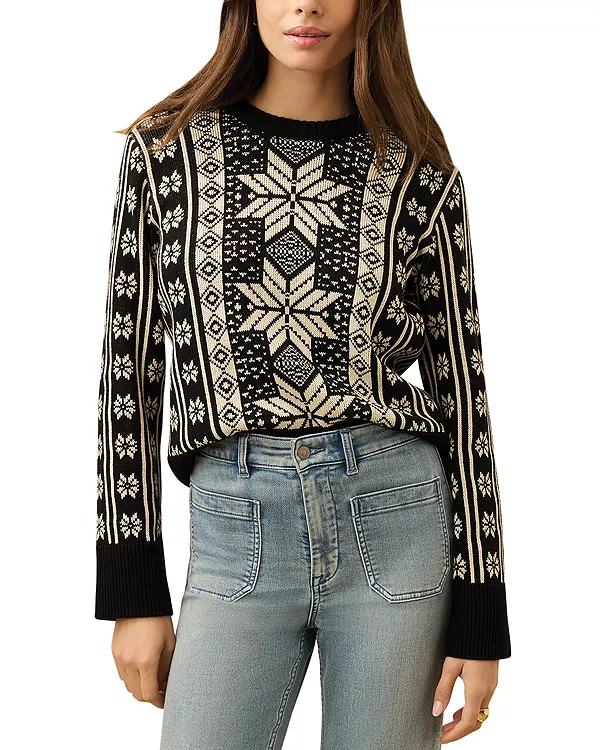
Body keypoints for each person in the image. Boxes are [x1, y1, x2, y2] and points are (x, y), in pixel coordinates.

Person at [95, 1, 511, 747]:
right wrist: (133, 587)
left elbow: (463, 390)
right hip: (236, 520)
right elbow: (128, 371)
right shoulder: (166, 154)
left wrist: (483, 616)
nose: (307, 4)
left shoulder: (420, 173)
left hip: (394, 514)